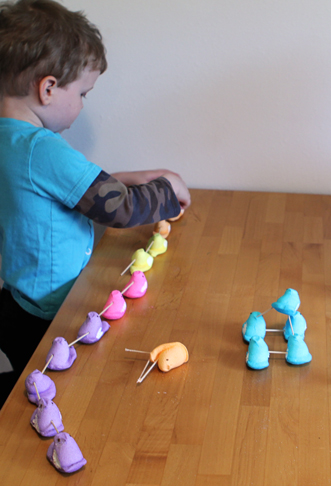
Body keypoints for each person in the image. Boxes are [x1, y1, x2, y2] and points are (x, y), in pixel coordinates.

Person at [0, 0, 191, 406]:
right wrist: (165, 187)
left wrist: (127, 178)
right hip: (56, 313)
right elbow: (116, 210)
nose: (84, 104)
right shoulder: (41, 148)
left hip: (18, 305)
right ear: (48, 88)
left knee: (33, 387)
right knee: (62, 398)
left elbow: (58, 193)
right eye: (83, 93)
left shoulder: (10, 140)